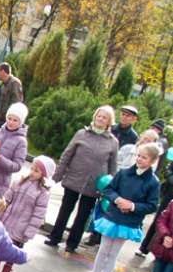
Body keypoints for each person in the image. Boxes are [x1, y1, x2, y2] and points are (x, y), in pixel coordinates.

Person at [85, 142, 161, 272]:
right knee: (103, 250)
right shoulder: (124, 173)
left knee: (113, 253)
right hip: (113, 216)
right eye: (138, 155)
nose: (139, 159)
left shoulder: (153, 182)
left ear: (153, 161)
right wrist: (117, 199)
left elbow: (152, 205)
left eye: (144, 157)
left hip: (129, 222)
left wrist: (132, 206)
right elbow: (108, 189)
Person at [44, 105, 119, 253]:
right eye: (99, 115)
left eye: (104, 117)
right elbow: (67, 154)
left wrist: (110, 188)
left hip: (94, 184)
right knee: (65, 209)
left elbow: (113, 166)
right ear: (94, 116)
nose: (100, 119)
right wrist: (57, 176)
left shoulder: (113, 142)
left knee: (83, 215)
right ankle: (55, 237)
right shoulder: (81, 134)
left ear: (109, 121)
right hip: (74, 179)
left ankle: (72, 243)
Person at [0, 155, 55, 272]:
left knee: (14, 250)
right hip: (6, 221)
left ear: (44, 175)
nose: (32, 172)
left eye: (36, 171)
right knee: (0, 246)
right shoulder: (19, 182)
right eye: (32, 168)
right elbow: (6, 200)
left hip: (21, 227)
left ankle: (7, 268)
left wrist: (29, 231)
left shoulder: (42, 192)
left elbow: (38, 214)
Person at [0, 101, 28, 198]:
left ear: (21, 122)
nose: (11, 122)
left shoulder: (21, 141)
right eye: (9, 118)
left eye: (15, 120)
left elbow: (17, 166)